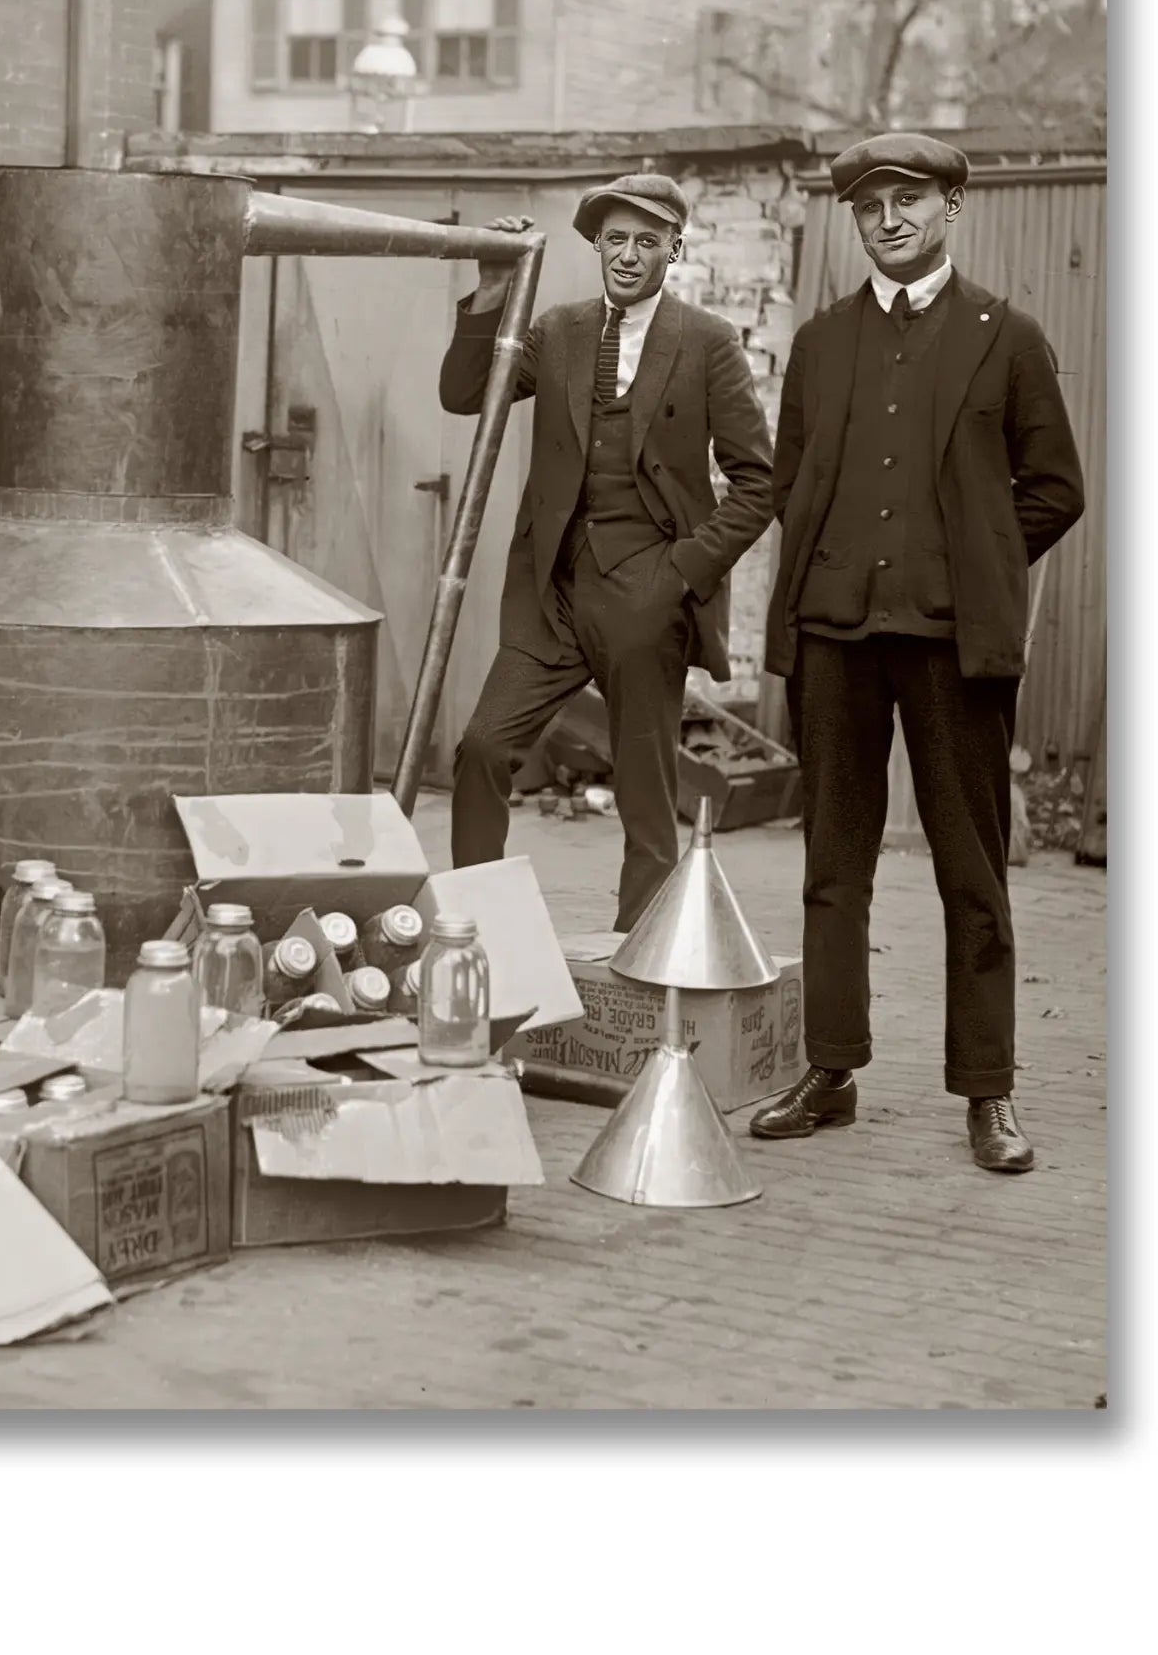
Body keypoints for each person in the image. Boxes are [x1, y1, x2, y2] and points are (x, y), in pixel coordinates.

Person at [748, 133, 1084, 1173]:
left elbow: (1053, 488)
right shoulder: (818, 342)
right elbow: (791, 484)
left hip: (949, 647)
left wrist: (975, 563)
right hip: (834, 639)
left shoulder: (1006, 336)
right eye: (866, 205)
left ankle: (987, 1090)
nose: (886, 218)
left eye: (906, 199)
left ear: (949, 206)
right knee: (829, 868)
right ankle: (829, 1068)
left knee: (970, 872)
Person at [439, 174, 774, 929]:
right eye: (616, 239)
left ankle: (639, 968)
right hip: (550, 598)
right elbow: (466, 394)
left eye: (648, 242)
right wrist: (492, 288)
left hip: (647, 598)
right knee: (484, 749)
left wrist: (680, 575)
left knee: (646, 795)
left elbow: (759, 484)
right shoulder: (556, 330)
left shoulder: (708, 342)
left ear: (674, 250)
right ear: (597, 245)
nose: (628, 255)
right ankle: (475, 934)